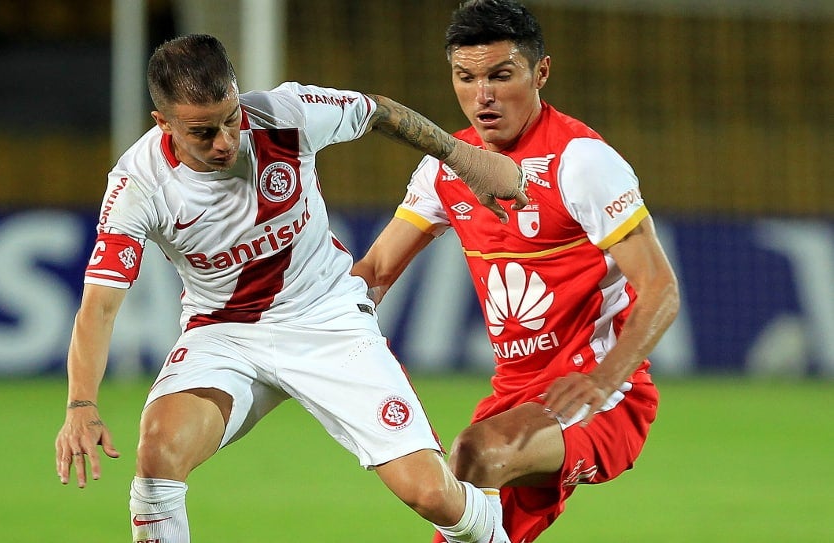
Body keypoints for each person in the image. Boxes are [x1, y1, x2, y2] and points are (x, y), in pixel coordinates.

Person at [53, 34, 529, 543]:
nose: (225, 141)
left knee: (431, 495)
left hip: (328, 320)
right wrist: (81, 405)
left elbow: (380, 112)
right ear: (163, 123)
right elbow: (98, 308)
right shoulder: (138, 185)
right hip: (223, 334)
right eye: (202, 132)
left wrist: (466, 160)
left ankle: (487, 527)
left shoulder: (287, 114)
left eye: (231, 118)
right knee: (157, 453)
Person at [351, 1, 681, 542]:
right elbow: (378, 268)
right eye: (466, 77)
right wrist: (318, 318)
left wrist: (604, 378)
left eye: (500, 75)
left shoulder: (581, 161)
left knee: (475, 454)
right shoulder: (446, 166)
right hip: (513, 397)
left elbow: (660, 289)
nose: (483, 94)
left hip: (600, 396)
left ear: (540, 72)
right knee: (466, 517)